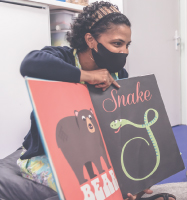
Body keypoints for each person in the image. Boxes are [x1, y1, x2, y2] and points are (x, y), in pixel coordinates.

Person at [17, 1, 174, 200]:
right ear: (90, 40)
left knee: (121, 180)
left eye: (127, 45)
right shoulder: (63, 57)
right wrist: (86, 76)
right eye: (117, 44)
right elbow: (29, 63)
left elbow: (120, 127)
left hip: (93, 151)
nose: (124, 51)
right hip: (46, 156)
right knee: (85, 185)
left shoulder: (118, 74)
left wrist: (136, 175)